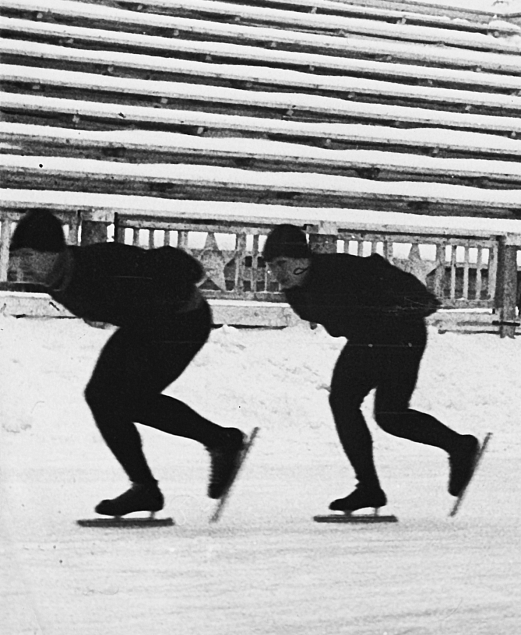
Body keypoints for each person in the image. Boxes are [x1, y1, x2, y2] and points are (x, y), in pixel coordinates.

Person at [8, 209, 247, 517]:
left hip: (183, 320)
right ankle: (147, 485)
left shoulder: (101, 265)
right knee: (101, 397)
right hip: (145, 326)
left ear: (53, 251)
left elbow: (172, 264)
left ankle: (220, 443)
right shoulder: (57, 275)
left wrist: (180, 281)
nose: (22, 265)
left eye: (29, 255)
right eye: (18, 256)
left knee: (127, 400)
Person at [261, 224, 481, 512]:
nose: (277, 274)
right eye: (270, 267)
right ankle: (369, 487)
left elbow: (385, 274)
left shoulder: (341, 269)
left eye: (282, 264)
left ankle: (459, 448)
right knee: (346, 402)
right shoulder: (296, 292)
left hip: (402, 332)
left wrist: (417, 302)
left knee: (390, 415)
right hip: (368, 337)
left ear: (304, 260)